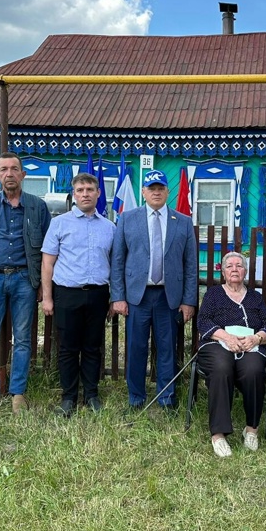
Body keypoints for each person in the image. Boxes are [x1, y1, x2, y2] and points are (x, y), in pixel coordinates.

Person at [111, 169, 198, 411]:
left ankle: (166, 398)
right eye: (151, 188)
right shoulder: (128, 219)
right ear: (143, 192)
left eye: (160, 188)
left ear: (167, 192)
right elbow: (117, 260)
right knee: (136, 348)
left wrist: (189, 300)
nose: (156, 192)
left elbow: (190, 265)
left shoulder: (182, 222)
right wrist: (118, 296)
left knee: (167, 348)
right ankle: (136, 398)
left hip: (168, 297)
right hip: (137, 297)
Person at [0, 152, 51, 415]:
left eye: (14, 169)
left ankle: (18, 393)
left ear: (23, 174)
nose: (9, 174)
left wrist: (41, 285)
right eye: (3, 169)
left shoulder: (37, 207)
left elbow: (48, 251)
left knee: (23, 339)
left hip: (24, 280)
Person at [41, 172, 116, 417]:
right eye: (80, 190)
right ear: (74, 195)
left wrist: (113, 297)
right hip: (67, 294)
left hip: (97, 295)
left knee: (93, 347)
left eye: (90, 190)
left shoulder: (109, 227)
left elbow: (115, 266)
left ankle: (91, 394)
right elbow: (48, 263)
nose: (85, 194)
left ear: (98, 194)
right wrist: (48, 297)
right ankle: (68, 397)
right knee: (68, 348)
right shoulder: (60, 223)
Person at [196, 252, 266, 457]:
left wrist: (256, 338)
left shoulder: (255, 297)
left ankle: (251, 429)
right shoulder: (213, 294)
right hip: (217, 344)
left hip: (249, 346)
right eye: (229, 266)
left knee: (254, 369)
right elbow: (202, 321)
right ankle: (219, 434)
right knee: (222, 367)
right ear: (223, 272)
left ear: (245, 271)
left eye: (239, 266)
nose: (234, 269)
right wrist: (226, 337)